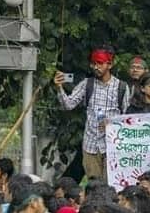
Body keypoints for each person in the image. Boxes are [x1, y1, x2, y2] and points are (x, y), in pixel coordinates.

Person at [54, 45, 131, 180]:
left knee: (111, 185)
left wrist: (113, 123)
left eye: (100, 63)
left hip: (112, 146)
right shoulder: (87, 84)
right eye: (93, 63)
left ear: (110, 64)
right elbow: (68, 104)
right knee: (94, 185)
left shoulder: (122, 87)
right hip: (90, 146)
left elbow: (128, 119)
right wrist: (59, 88)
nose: (96, 67)